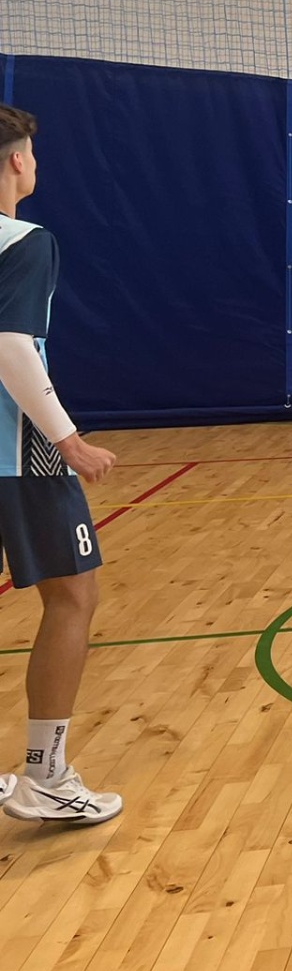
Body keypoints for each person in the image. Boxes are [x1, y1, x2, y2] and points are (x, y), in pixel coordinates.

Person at [0, 103, 122, 823]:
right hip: (19, 455)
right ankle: (45, 777)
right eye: (33, 154)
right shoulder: (25, 240)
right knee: (73, 597)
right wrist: (67, 438)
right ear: (19, 161)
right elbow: (11, 346)